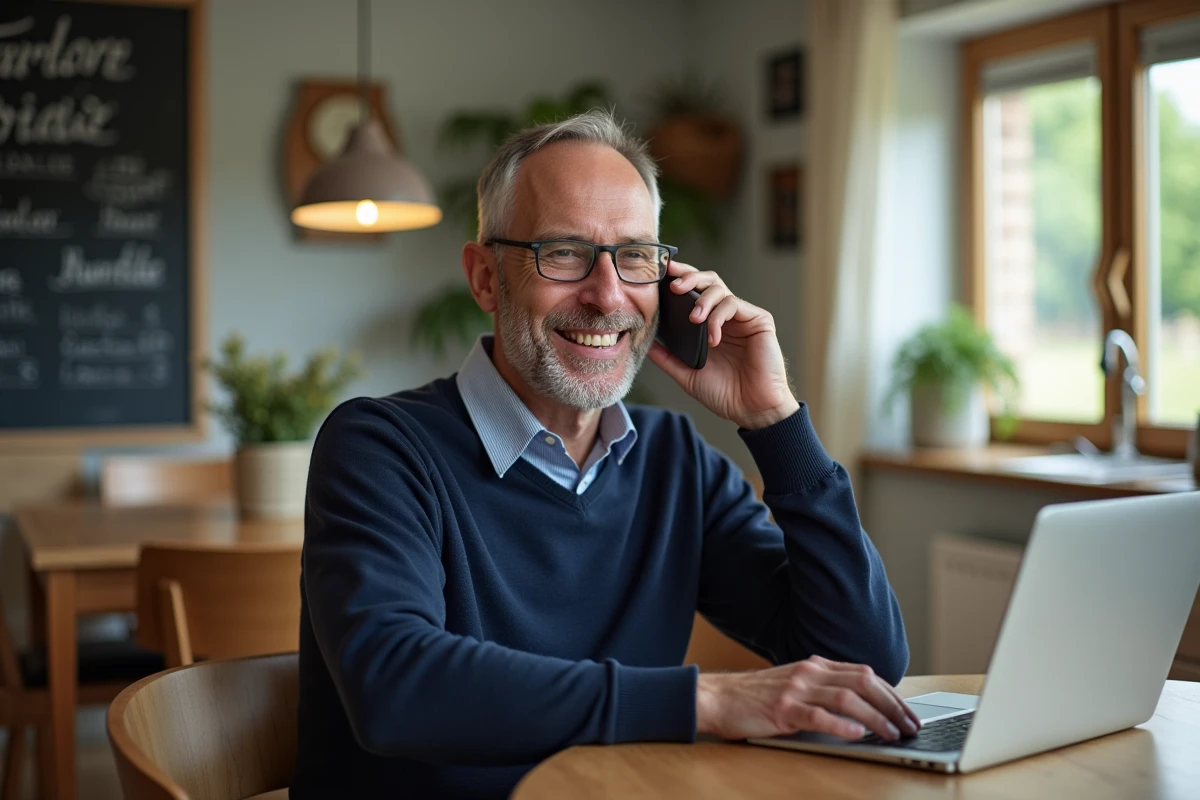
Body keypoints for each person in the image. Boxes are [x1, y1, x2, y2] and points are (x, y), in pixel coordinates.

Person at [293, 109, 915, 800]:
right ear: (486, 280)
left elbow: (863, 665)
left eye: (635, 256)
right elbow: (396, 685)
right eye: (562, 252)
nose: (608, 294)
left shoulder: (677, 462)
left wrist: (775, 420)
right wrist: (704, 703)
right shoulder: (379, 448)